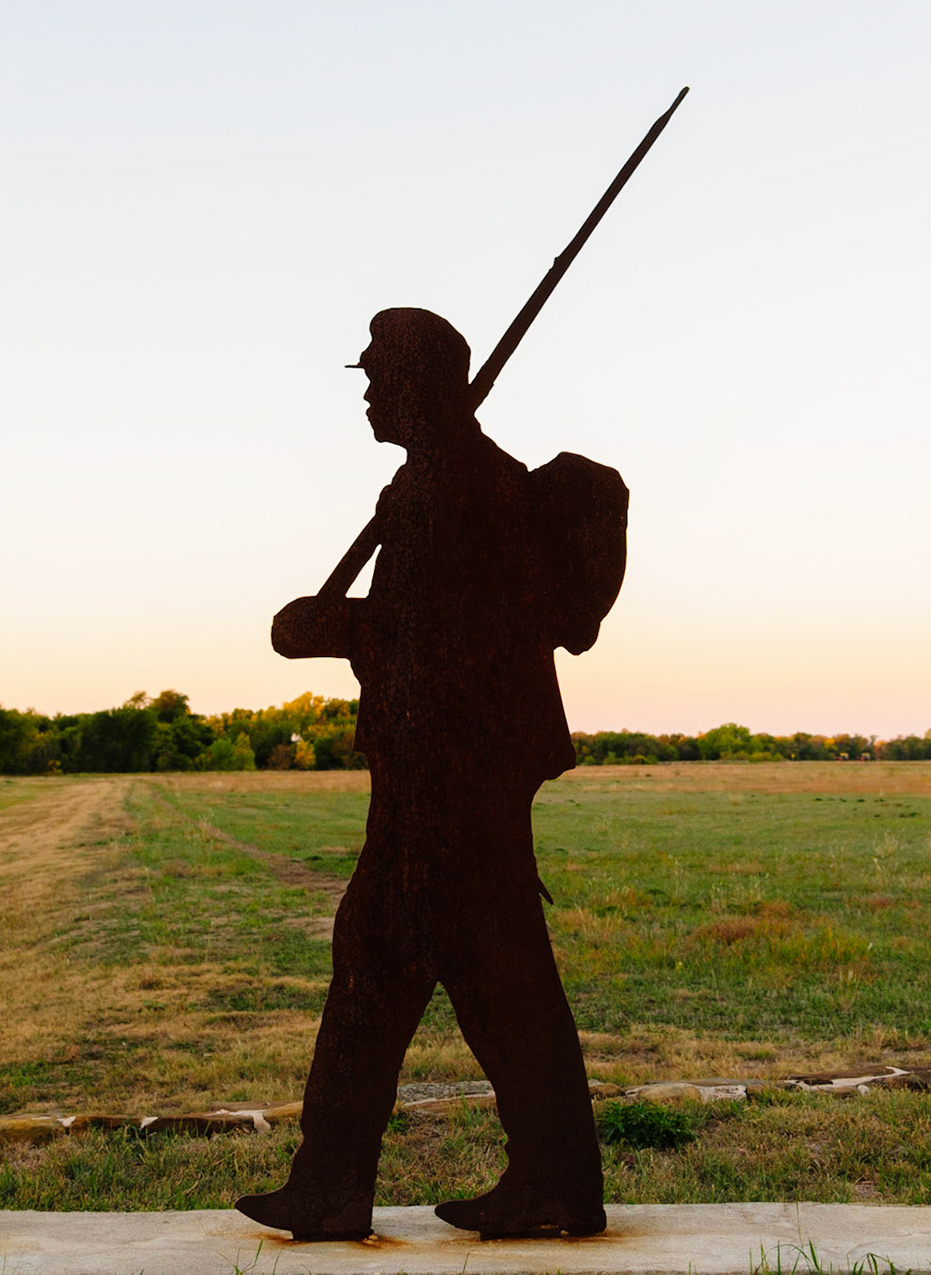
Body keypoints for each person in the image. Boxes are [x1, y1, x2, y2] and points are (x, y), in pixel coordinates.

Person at [236, 308, 613, 1241]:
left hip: (453, 783)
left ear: (423, 383)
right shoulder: (425, 486)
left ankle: (348, 1183)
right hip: (435, 776)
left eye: (378, 374)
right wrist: (352, 629)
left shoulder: (465, 491)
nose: (366, 389)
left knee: (417, 969)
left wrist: (339, 629)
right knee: (451, 973)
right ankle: (534, 1181)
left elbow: (449, 642)